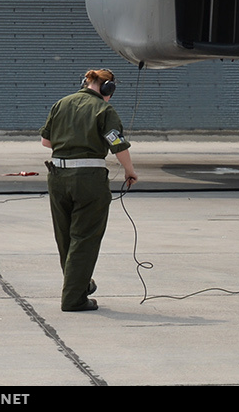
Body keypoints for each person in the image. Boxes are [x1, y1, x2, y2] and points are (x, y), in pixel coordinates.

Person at [39, 68, 138, 312]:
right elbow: (116, 143)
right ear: (108, 89)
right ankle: (74, 298)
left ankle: (79, 284)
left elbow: (46, 142)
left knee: (64, 236)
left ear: (85, 82)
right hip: (88, 179)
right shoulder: (104, 110)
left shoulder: (61, 104)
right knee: (84, 238)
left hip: (58, 176)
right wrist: (129, 171)